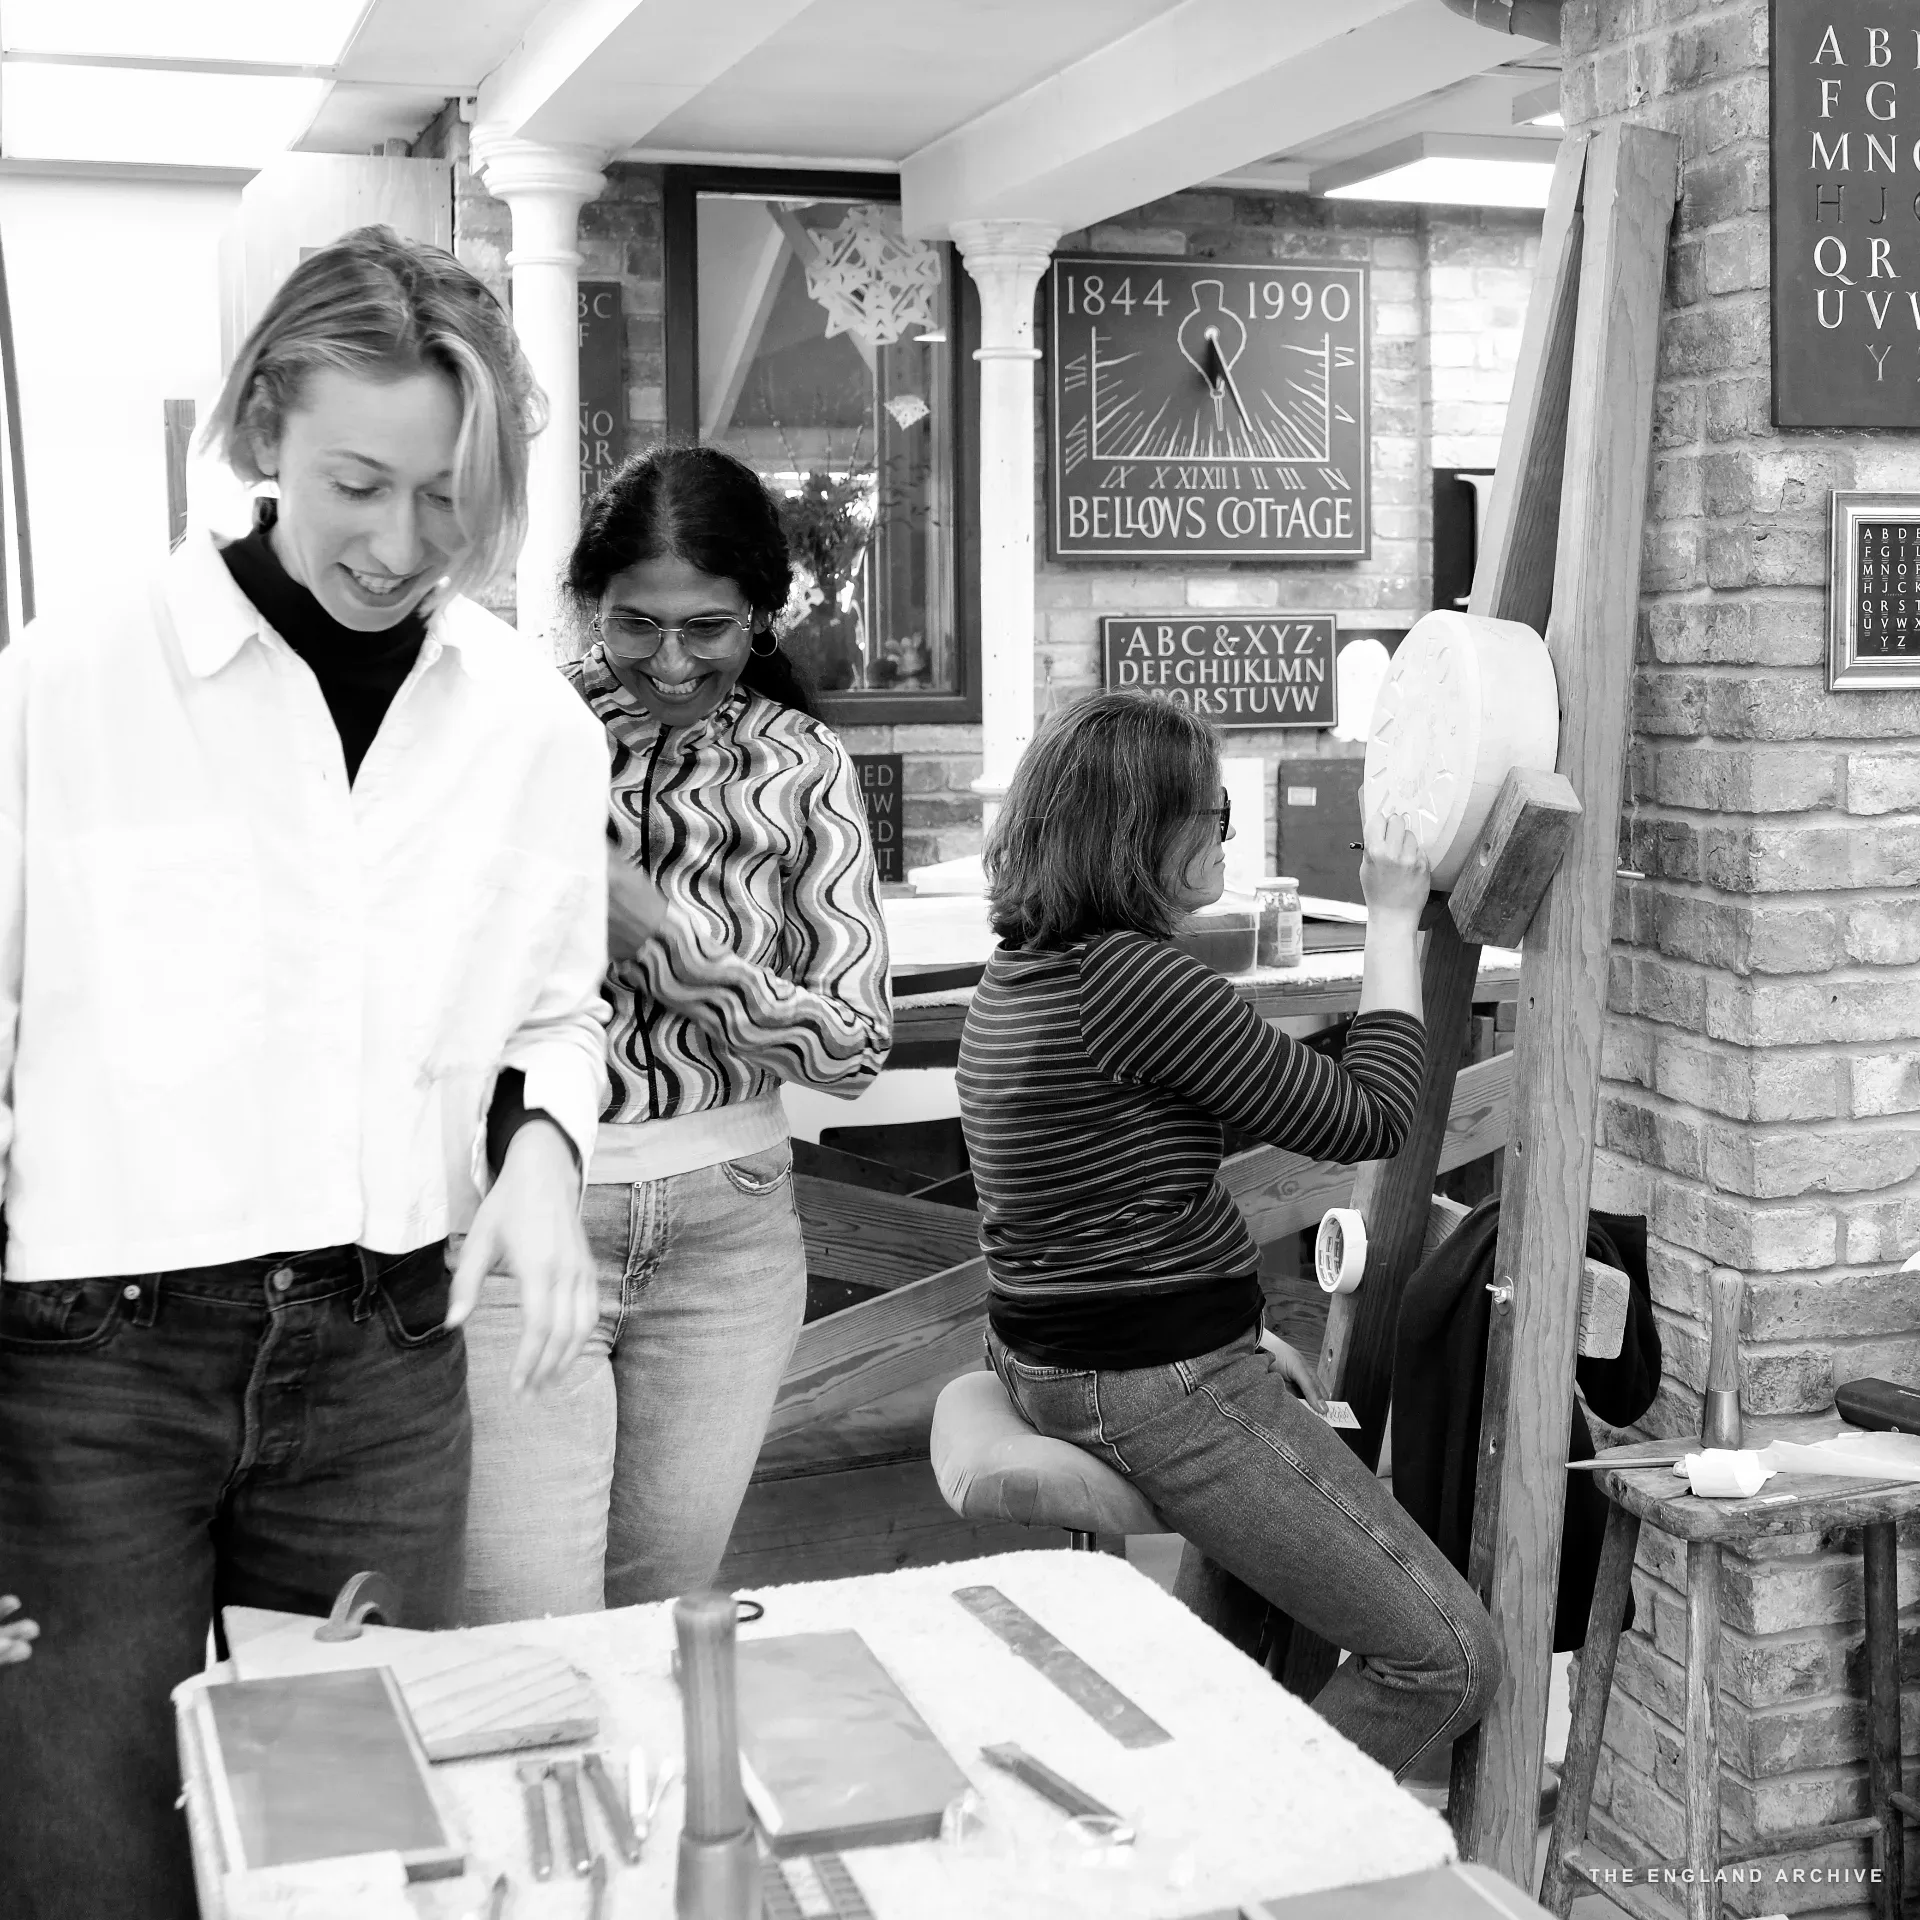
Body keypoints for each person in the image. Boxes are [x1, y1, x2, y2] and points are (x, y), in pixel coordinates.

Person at [0, 227, 610, 1920]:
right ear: (267, 424)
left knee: (344, 1870)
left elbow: (552, 1009)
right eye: (361, 482)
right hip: (88, 1377)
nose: (401, 545)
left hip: (379, 1363)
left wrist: (547, 1145)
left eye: (451, 505)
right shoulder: (66, 688)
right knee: (83, 1860)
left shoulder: (535, 730)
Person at [956, 690, 1500, 1780]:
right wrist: (1391, 921)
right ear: (1152, 832)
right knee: (1449, 1658)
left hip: (1062, 1361)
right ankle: (1238, 1844)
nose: (1227, 837)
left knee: (1256, 1632)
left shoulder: (1025, 968)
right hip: (1151, 1381)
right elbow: (1369, 1117)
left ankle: (1183, 1792)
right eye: (1215, 813)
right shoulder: (1132, 979)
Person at [463, 444, 890, 1622]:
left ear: (762, 613)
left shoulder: (803, 765)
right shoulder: (511, 733)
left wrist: (670, 951)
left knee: (661, 1620)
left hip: (729, 1236)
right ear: (587, 610)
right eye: (632, 625)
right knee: (530, 1615)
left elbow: (853, 1050)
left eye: (708, 628)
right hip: (529, 1214)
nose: (668, 662)